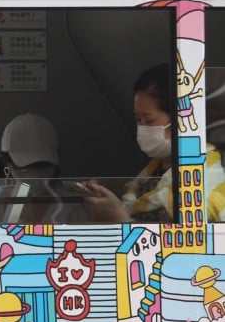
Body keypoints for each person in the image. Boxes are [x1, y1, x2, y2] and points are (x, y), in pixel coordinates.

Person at [83, 63, 225, 222]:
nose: (141, 128)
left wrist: (120, 220)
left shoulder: (201, 180)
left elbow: (187, 241)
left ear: (180, 120)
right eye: (138, 120)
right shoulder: (155, 170)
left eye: (149, 120)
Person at [0, 112, 75, 223]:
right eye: (27, 167)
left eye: (44, 165)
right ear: (6, 162)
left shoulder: (71, 206)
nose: (37, 174)